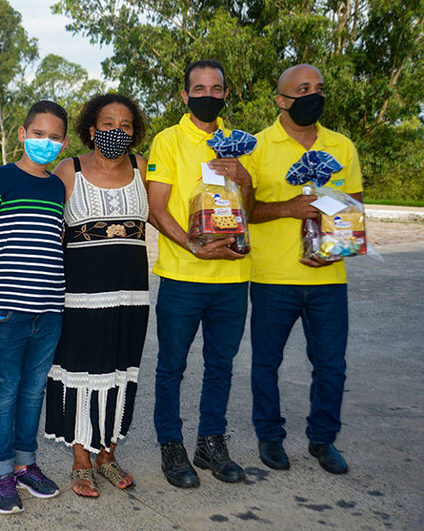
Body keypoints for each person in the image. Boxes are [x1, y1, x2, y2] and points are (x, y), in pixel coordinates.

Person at [246, 64, 363, 475]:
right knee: (266, 363)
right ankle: (270, 437)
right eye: (302, 89)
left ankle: (323, 439)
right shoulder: (257, 147)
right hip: (273, 277)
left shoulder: (341, 146)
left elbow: (353, 206)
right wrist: (289, 209)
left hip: (328, 279)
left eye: (319, 87)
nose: (314, 94)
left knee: (332, 365)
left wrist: (337, 249)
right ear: (281, 100)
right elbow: (245, 212)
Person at [147, 59, 254, 489]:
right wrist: (194, 245)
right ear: (184, 95)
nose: (208, 94)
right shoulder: (168, 140)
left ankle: (210, 443)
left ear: (226, 93)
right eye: (199, 88)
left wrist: (244, 178)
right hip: (183, 276)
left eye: (216, 88)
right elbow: (156, 209)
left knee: (221, 365)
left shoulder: (239, 142)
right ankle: (171, 446)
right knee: (172, 366)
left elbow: (252, 207)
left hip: (233, 275)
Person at [44, 93, 150, 498]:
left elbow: (160, 211)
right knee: (82, 372)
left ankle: (107, 454)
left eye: (125, 126)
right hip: (82, 297)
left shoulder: (142, 166)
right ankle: (81, 461)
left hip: (131, 297)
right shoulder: (67, 170)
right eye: (107, 124)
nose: (116, 132)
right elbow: (45, 226)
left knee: (122, 370)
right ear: (91, 128)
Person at [0, 100, 69, 514]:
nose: (47, 142)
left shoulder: (56, 187)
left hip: (49, 310)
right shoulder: (0, 178)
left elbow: (55, 242)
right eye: (39, 134)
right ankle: (0, 472)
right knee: (5, 390)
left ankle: (26, 465)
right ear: (24, 133)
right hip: (7, 308)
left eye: (56, 136)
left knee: (33, 391)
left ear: (64, 142)